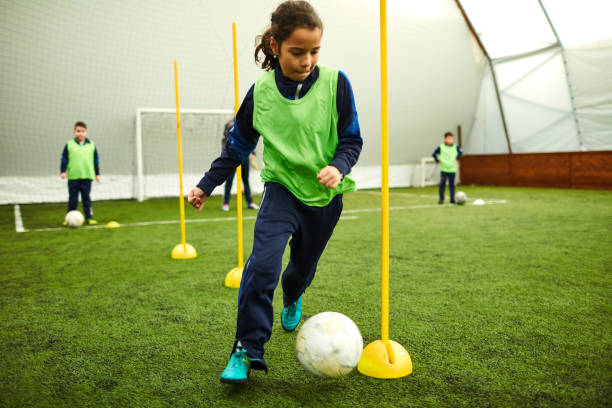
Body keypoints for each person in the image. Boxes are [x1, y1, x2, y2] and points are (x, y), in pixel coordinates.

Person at [188, 0, 362, 384]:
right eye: (297, 52)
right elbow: (237, 147)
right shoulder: (261, 93)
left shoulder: (337, 83)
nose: (307, 60)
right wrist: (206, 184)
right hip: (281, 191)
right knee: (261, 266)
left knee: (299, 270)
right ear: (274, 45)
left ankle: (294, 291)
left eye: (315, 51)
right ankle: (246, 350)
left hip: (324, 199)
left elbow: (352, 140)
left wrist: (338, 166)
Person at [60, 121, 100, 225]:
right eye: (78, 131)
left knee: (86, 198)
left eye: (82, 131)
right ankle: (68, 218)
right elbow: (64, 159)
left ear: (86, 132)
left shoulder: (91, 145)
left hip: (87, 176)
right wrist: (63, 171)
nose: (80, 133)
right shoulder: (69, 144)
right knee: (73, 199)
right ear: (74, 132)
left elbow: (95, 160)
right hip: (73, 176)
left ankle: (89, 217)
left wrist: (97, 173)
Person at [221, 119, 259, 211]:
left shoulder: (246, 123)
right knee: (229, 180)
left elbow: (250, 139)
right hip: (232, 156)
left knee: (246, 180)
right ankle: (226, 203)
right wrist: (225, 153)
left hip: (244, 157)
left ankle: (250, 202)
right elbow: (225, 140)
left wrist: (253, 152)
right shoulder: (229, 124)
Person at [432, 131, 462, 204]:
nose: (450, 140)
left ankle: (452, 199)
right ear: (444, 139)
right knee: (442, 185)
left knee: (452, 185)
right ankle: (441, 199)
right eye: (448, 139)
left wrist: (457, 159)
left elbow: (461, 152)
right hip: (444, 169)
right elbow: (433, 153)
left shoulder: (455, 147)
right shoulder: (441, 147)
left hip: (452, 169)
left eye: (451, 139)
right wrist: (437, 160)